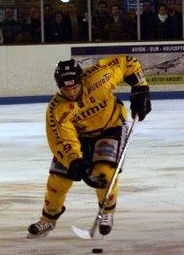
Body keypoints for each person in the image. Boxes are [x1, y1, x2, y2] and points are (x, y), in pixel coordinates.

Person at [26, 56, 151, 239]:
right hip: (79, 137)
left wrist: (141, 88)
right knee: (58, 180)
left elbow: (128, 62)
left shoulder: (100, 77)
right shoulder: (57, 109)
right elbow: (63, 140)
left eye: (75, 87)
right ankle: (48, 219)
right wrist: (77, 163)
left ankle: (107, 211)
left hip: (111, 127)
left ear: (81, 80)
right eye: (65, 89)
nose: (71, 93)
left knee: (105, 174)